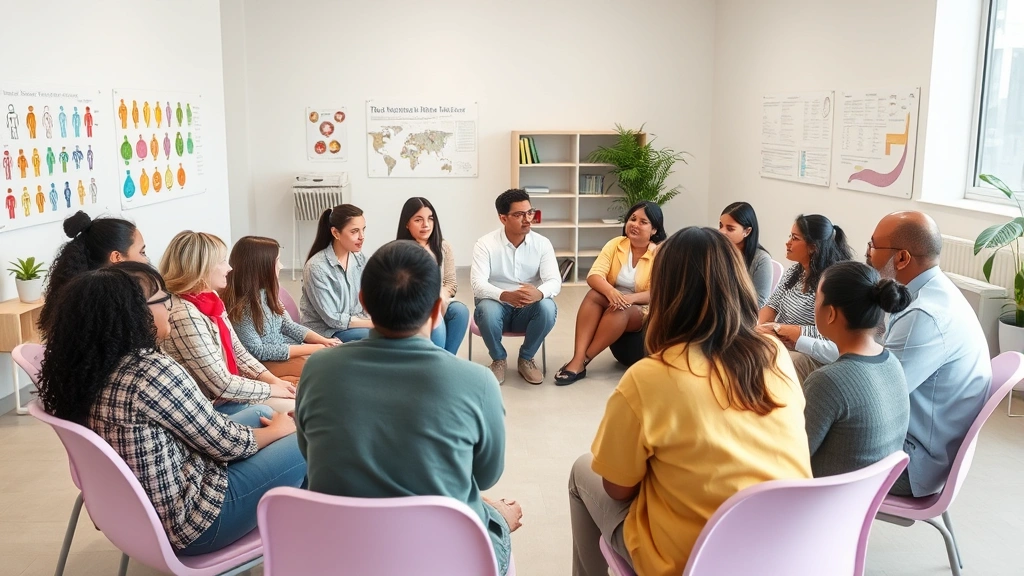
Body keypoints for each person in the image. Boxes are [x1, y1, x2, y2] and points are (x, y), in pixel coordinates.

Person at [568, 227, 811, 576]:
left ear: (666, 293)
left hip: (691, 562)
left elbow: (617, 489)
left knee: (582, 470)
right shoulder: (774, 352)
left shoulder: (649, 376)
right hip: (779, 552)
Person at [35, 262, 305, 556]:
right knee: (309, 435)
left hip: (142, 518)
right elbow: (226, 445)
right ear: (137, 313)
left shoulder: (93, 368)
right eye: (164, 300)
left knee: (259, 414)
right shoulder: (149, 371)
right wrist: (282, 430)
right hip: (197, 523)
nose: (171, 308)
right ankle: (300, 537)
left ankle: (289, 520)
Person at [295, 240, 521, 575]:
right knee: (500, 519)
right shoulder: (477, 381)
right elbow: (486, 475)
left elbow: (307, 452)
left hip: (341, 555)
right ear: (435, 310)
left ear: (363, 303)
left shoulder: (318, 368)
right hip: (441, 557)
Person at [866, 211, 991, 497]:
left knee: (794, 448)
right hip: (926, 445)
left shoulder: (924, 315)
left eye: (873, 246)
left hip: (912, 463)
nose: (868, 254)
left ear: (902, 258)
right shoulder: (934, 293)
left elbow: (877, 398)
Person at [159, 231, 297, 414]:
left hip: (230, 394)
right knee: (298, 411)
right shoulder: (184, 314)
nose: (229, 268)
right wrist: (272, 389)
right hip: (212, 406)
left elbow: (238, 352)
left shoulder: (210, 298)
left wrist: (274, 381)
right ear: (202, 268)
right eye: (222, 261)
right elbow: (222, 384)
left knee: (300, 400)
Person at [803, 261, 912, 477]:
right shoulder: (892, 363)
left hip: (819, 503)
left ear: (831, 313)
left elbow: (793, 456)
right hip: (864, 499)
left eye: (816, 298)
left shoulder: (827, 381)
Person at [555, 201, 665, 385]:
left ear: (654, 230)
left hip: (643, 307)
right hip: (617, 297)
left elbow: (658, 292)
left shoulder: (660, 253)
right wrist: (612, 292)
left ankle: (584, 360)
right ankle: (577, 357)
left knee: (620, 309)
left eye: (643, 222)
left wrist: (629, 298)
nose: (635, 224)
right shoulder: (616, 244)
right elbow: (594, 275)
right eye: (632, 219)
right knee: (593, 295)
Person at [222, 236, 340, 384]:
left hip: (286, 355)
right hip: (264, 364)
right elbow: (257, 351)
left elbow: (288, 325)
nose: (281, 266)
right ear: (261, 267)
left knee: (334, 363)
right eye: (277, 261)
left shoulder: (266, 294)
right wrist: (313, 348)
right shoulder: (242, 308)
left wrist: (324, 342)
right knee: (324, 372)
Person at [471, 189, 560, 384]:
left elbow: (554, 281)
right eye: (519, 215)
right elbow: (478, 285)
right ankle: (498, 359)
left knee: (548, 307)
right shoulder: (485, 244)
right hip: (496, 308)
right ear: (503, 218)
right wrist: (505, 295)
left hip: (528, 309)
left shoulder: (542, 244)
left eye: (530, 212)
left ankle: (526, 358)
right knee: (486, 308)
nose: (528, 219)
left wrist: (538, 293)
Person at [758, 214, 854, 381]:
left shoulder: (830, 283)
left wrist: (781, 330)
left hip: (809, 351)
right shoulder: (794, 272)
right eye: (790, 236)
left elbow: (829, 334)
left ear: (813, 247)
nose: (788, 243)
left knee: (768, 364)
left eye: (795, 238)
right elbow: (771, 306)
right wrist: (758, 328)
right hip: (783, 339)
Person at [38, 211, 147, 337]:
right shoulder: (114, 308)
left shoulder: (78, 300)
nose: (146, 260)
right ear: (117, 257)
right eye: (142, 252)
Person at [396, 197, 470, 354]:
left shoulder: (443, 247)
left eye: (430, 218)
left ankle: (448, 361)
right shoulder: (398, 251)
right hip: (413, 308)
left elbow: (451, 283)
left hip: (440, 301)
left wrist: (442, 295)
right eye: (418, 220)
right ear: (407, 223)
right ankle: (438, 366)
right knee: (434, 316)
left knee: (460, 311)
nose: (426, 225)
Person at [300, 204, 373, 342]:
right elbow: (332, 319)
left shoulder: (361, 260)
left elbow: (369, 302)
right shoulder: (316, 267)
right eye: (354, 231)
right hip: (326, 333)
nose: (362, 236)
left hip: (357, 326)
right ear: (335, 233)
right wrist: (373, 324)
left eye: (363, 230)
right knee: (375, 338)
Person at [719, 201, 773, 307]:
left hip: (741, 317)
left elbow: (759, 302)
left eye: (730, 228)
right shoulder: (719, 251)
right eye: (720, 225)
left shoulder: (761, 260)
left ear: (747, 231)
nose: (721, 231)